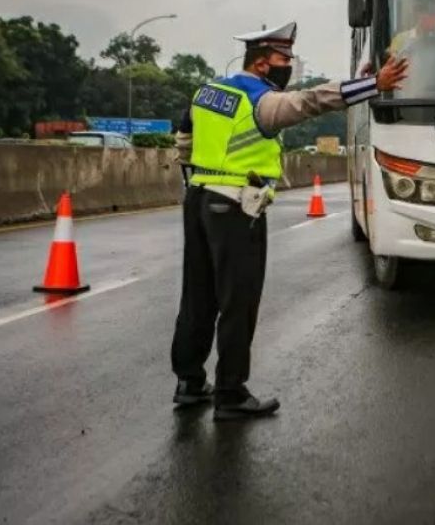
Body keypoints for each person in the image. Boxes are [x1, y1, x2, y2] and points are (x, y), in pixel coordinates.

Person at [171, 22, 409, 419]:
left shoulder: (207, 92)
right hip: (236, 207)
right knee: (237, 301)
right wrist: (371, 86)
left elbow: (184, 139)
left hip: (197, 200)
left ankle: (189, 383)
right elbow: (312, 101)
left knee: (197, 296)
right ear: (262, 64)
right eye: (283, 60)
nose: (288, 66)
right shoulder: (259, 101)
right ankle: (230, 394)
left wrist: (198, 172)